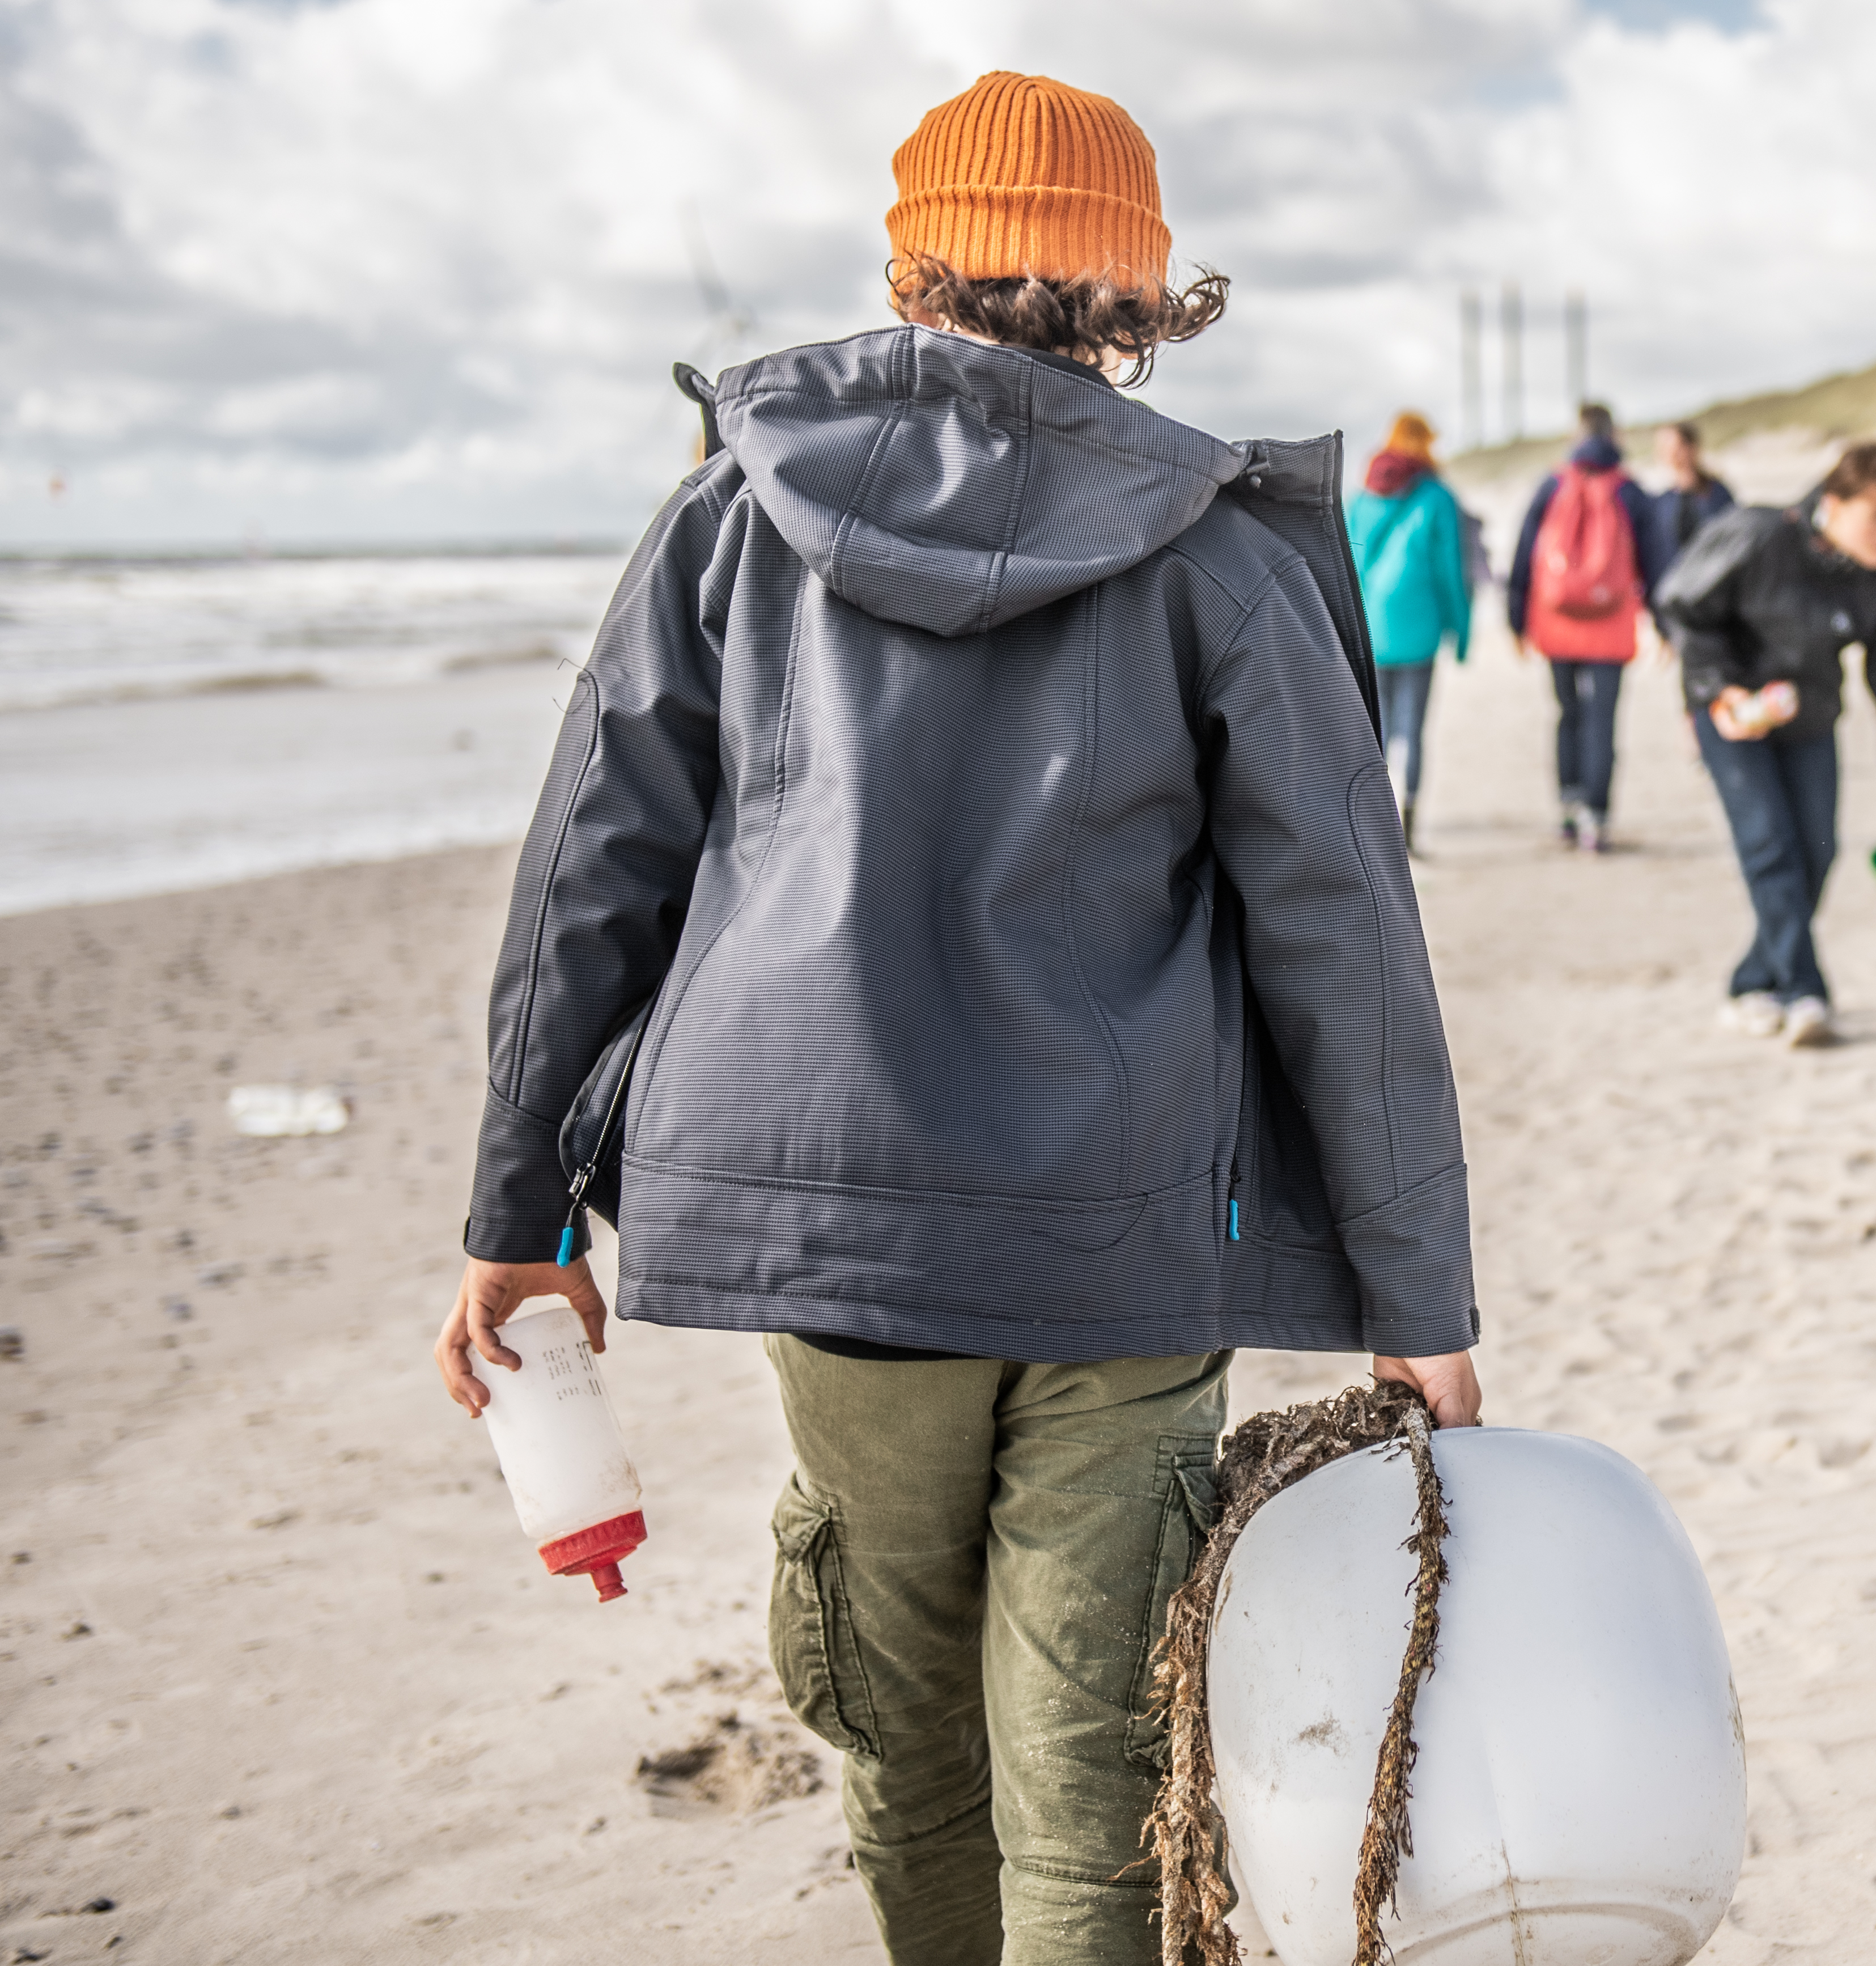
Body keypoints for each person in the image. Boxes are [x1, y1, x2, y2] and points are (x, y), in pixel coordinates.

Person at [428, 71, 1482, 1965]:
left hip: (830, 1213)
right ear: (1145, 294)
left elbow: (595, 865)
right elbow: (1348, 942)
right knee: (1093, 1760)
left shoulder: (730, 519)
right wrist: (1419, 1302)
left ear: (912, 268)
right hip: (1121, 1224)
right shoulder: (1221, 553)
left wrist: (520, 1212)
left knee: (901, 1725)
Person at [1656, 440, 1876, 1048]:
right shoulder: (1759, 536)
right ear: (1833, 505)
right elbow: (1682, 603)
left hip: (1808, 718)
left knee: (1817, 854)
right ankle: (1806, 991)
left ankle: (1749, 984)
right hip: (1731, 716)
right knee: (1770, 847)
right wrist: (1720, 689)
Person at [1508, 402, 1674, 852]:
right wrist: (1665, 624)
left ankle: (1567, 809)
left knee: (1566, 714)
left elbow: (1525, 552)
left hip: (1556, 620)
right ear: (1614, 434)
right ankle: (1596, 821)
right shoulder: (1630, 491)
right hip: (1612, 624)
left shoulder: (1552, 484)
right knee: (1603, 720)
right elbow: (1656, 563)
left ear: (1576, 435)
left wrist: (1515, 617)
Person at [1346, 410, 1472, 850]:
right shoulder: (1437, 496)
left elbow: (1346, 565)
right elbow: (1451, 571)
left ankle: (1373, 827)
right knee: (1412, 730)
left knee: (1374, 731)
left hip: (1370, 628)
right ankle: (1410, 822)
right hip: (1418, 628)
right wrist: (1462, 628)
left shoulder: (1362, 494)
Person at [1647, 420, 1737, 570]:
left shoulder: (1718, 493)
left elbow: (1734, 540)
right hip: (1677, 585)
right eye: (1663, 447)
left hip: (1715, 579)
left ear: (1691, 447)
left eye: (1674, 446)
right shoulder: (1661, 502)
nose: (1669, 452)